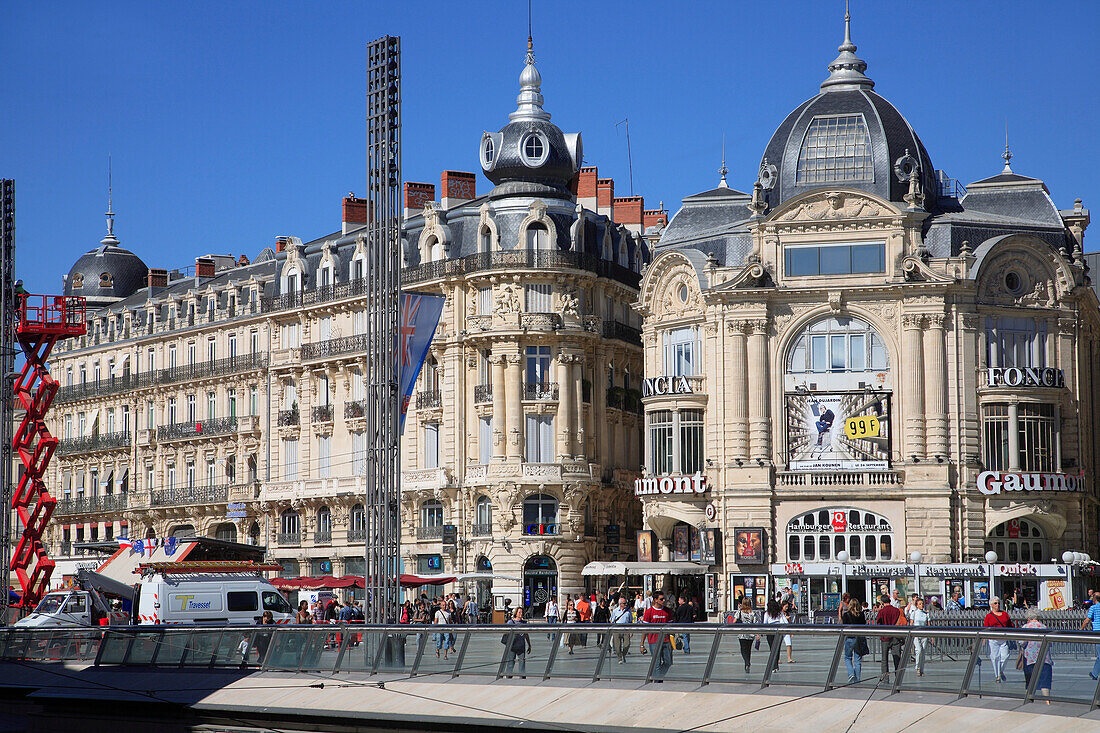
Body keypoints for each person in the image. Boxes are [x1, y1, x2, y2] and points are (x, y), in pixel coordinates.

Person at [1021, 607, 1053, 703]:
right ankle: (1047, 700)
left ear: (1028, 617)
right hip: (1044, 657)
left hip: (1029, 658)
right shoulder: (1044, 627)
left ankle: (1029, 699)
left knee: (1030, 680)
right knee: (1045, 680)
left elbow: (1021, 642)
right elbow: (1050, 643)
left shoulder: (1025, 627)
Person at [641, 591, 672, 681]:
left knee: (668, 662)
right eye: (661, 599)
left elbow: (671, 626)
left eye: (664, 599)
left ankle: (655, 676)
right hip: (653, 641)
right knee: (657, 663)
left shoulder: (667, 611)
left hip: (666, 640)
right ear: (655, 600)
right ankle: (657, 682)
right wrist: (642, 644)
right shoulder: (649, 612)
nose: (663, 600)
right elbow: (645, 629)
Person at [983, 596, 1014, 683]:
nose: (997, 605)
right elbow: (986, 627)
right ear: (991, 605)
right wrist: (984, 639)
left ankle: (1000, 671)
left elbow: (1010, 625)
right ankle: (997, 675)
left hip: (1004, 638)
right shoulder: (989, 616)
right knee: (995, 656)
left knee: (1005, 655)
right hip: (993, 638)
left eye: (998, 603)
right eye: (995, 603)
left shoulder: (1004, 614)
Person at [874, 593, 904, 681]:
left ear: (882, 602)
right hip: (896, 636)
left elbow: (878, 623)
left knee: (884, 659)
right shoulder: (897, 611)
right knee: (897, 658)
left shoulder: (881, 612)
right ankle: (898, 678)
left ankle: (885, 678)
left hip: (885, 637)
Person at [841, 598, 868, 683]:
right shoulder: (861, 614)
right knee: (858, 659)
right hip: (859, 637)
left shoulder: (846, 614)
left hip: (850, 637)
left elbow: (844, 625)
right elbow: (864, 624)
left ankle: (851, 674)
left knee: (848, 657)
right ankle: (857, 678)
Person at [502, 606, 531, 678]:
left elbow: (526, 634)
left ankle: (522, 678)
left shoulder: (524, 623)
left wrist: (529, 645)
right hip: (512, 646)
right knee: (510, 663)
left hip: (521, 646)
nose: (521, 614)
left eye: (522, 612)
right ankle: (508, 677)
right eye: (519, 612)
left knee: (522, 664)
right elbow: (505, 632)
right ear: (516, 613)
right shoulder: (510, 622)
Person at [763, 599, 787, 671]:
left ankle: (773, 666)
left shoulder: (767, 613)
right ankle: (775, 665)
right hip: (779, 631)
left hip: (770, 632)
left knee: (772, 649)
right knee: (777, 648)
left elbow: (765, 623)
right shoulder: (779, 613)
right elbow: (784, 620)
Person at [733, 598, 757, 673]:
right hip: (751, 633)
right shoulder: (752, 613)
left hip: (742, 633)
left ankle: (747, 662)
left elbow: (734, 621)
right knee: (748, 650)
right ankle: (747, 663)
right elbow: (755, 624)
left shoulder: (739, 612)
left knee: (743, 649)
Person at [609, 594, 634, 663]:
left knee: (627, 644)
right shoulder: (615, 611)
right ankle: (619, 658)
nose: (626, 604)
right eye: (624, 603)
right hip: (617, 629)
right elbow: (612, 620)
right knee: (617, 645)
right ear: (620, 604)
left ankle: (623, 654)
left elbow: (630, 621)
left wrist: (631, 631)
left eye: (626, 603)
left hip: (626, 629)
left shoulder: (628, 611)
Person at [1081, 592, 1100, 680]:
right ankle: (1094, 673)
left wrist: (1081, 629)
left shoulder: (1093, 608)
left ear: (1095, 599)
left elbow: (1087, 620)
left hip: (1097, 632)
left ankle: (1094, 674)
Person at [909, 597, 930, 677]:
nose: (922, 605)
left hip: (924, 634)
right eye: (920, 604)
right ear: (917, 605)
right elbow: (911, 623)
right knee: (918, 650)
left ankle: (922, 669)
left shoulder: (926, 614)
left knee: (923, 652)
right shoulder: (914, 613)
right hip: (916, 634)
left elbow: (928, 624)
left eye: (922, 604)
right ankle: (917, 667)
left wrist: (931, 637)